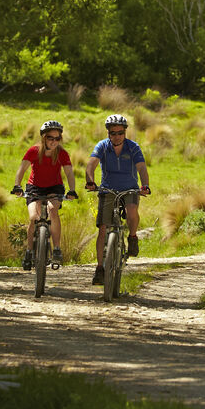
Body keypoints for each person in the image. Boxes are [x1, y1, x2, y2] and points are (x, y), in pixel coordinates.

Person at [84, 113, 150, 285]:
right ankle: (100, 268)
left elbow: (141, 168)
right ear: (108, 133)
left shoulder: (133, 147)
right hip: (107, 189)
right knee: (103, 228)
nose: (116, 136)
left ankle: (133, 237)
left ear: (125, 132)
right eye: (113, 133)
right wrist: (90, 181)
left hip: (130, 188)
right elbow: (91, 165)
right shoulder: (102, 146)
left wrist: (145, 185)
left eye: (120, 132)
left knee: (132, 210)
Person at [11, 119, 78, 269]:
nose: (54, 141)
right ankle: (29, 252)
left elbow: (69, 173)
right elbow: (21, 170)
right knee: (33, 218)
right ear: (43, 138)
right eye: (50, 138)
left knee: (53, 210)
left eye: (57, 138)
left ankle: (56, 249)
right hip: (35, 187)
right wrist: (17, 186)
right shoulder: (34, 151)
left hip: (55, 187)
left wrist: (72, 190)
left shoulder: (62, 153)